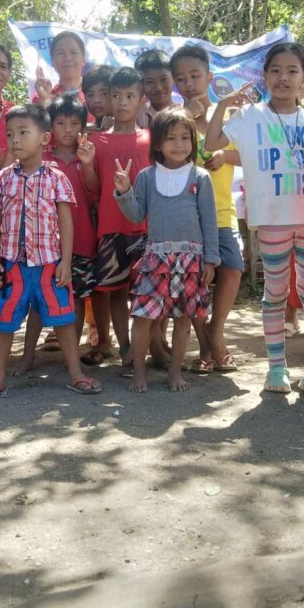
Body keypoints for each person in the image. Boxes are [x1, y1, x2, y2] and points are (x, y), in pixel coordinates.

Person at [204, 42, 304, 395]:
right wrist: (223, 105)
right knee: (274, 293)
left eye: (293, 71)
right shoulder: (248, 117)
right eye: (275, 70)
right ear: (264, 76)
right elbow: (211, 142)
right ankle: (277, 369)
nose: (283, 77)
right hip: (272, 221)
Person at [0, 104, 102, 399]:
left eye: (22, 132)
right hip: (12, 267)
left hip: (49, 266)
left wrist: (66, 262)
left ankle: (76, 374)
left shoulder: (57, 178)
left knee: (64, 320)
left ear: (44, 139)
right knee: (4, 323)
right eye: (10, 134)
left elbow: (66, 223)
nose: (14, 140)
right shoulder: (4, 178)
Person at [114, 109, 219, 392]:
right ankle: (138, 374)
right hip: (155, 259)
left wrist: (211, 259)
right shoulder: (147, 177)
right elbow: (136, 215)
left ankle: (176, 372)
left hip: (191, 260)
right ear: (157, 143)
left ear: (193, 142)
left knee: (184, 319)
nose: (179, 144)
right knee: (144, 316)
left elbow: (209, 220)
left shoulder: (201, 176)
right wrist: (124, 191)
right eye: (170, 138)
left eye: (185, 137)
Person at [170, 44, 243, 374]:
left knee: (232, 268)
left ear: (209, 77)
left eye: (195, 76)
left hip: (222, 213)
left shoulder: (228, 116)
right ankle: (207, 346)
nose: (189, 83)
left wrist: (226, 157)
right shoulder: (175, 120)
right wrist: (188, 116)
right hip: (186, 217)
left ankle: (216, 329)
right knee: (194, 283)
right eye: (181, 79)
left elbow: (251, 156)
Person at [78, 67, 152, 375]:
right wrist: (85, 163)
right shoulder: (99, 143)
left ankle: (152, 348)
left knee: (148, 291)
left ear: (141, 100)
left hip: (146, 228)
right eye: (116, 96)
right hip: (109, 229)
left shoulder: (151, 140)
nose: (122, 102)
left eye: (129, 96)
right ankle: (126, 350)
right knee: (117, 292)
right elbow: (93, 188)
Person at [20, 93, 100, 371]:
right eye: (61, 123)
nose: (68, 129)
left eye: (74, 123)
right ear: (49, 127)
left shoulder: (86, 156)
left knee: (76, 298)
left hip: (81, 242)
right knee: (37, 302)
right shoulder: (42, 158)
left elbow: (93, 193)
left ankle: (72, 355)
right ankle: (28, 355)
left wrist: (87, 164)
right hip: (43, 245)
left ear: (83, 126)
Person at [34, 31, 86, 105]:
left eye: (73, 52)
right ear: (52, 61)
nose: (68, 58)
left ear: (83, 60)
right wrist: (44, 99)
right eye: (60, 53)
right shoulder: (42, 97)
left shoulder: (97, 95)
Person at [135, 48, 175, 127]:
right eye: (150, 82)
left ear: (173, 78)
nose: (158, 88)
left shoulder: (184, 111)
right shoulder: (136, 114)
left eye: (164, 79)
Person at [83, 65, 114, 131]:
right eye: (90, 95)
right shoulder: (85, 134)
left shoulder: (131, 129)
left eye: (104, 93)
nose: (96, 100)